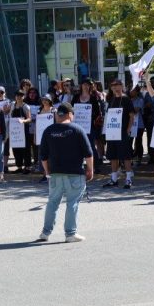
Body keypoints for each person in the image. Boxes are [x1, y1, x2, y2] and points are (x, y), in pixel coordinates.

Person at [37, 103, 94, 243]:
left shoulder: (48, 130)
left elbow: (43, 156)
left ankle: (45, 232)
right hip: (75, 173)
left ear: (57, 115)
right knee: (72, 203)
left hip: (55, 173)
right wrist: (90, 169)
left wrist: (47, 171)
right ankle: (70, 233)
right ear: (70, 114)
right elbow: (88, 153)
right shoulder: (77, 130)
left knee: (52, 203)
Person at [103, 78, 135, 189]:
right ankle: (114, 179)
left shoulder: (126, 99)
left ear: (122, 86)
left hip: (122, 132)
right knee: (113, 156)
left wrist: (128, 129)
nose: (115, 87)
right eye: (113, 85)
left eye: (117, 85)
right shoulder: (111, 100)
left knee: (126, 156)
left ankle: (128, 179)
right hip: (112, 132)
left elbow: (132, 116)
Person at [10, 90, 32, 174]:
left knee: (26, 149)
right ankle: (19, 166)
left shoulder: (26, 106)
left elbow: (30, 118)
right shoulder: (13, 105)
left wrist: (23, 121)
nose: (19, 97)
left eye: (21, 95)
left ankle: (27, 167)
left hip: (24, 131)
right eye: (17, 95)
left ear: (23, 96)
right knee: (16, 149)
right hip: (15, 131)